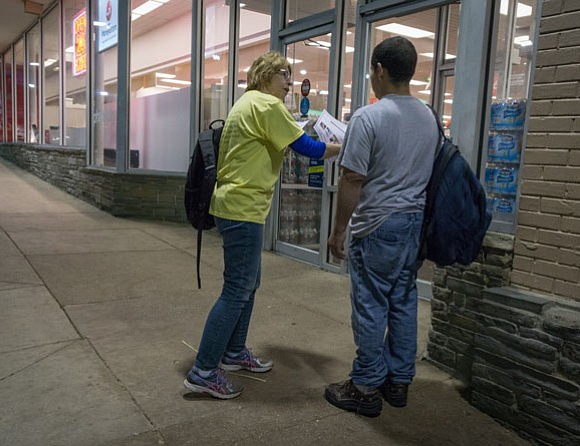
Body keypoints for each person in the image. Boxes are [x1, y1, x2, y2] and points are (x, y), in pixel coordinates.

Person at [184, 51, 340, 399]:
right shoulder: (268, 106)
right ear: (266, 75)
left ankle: (234, 353)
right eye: (284, 74)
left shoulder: (246, 104)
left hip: (235, 205)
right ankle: (204, 370)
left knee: (248, 284)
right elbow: (309, 148)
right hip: (243, 208)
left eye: (289, 74)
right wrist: (340, 146)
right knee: (237, 289)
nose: (289, 81)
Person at [324, 36, 439, 417]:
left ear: (379, 70)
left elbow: (353, 179)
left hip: (377, 224)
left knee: (371, 304)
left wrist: (339, 230)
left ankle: (365, 386)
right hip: (413, 224)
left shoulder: (369, 116)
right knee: (403, 301)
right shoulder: (428, 116)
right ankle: (398, 381)